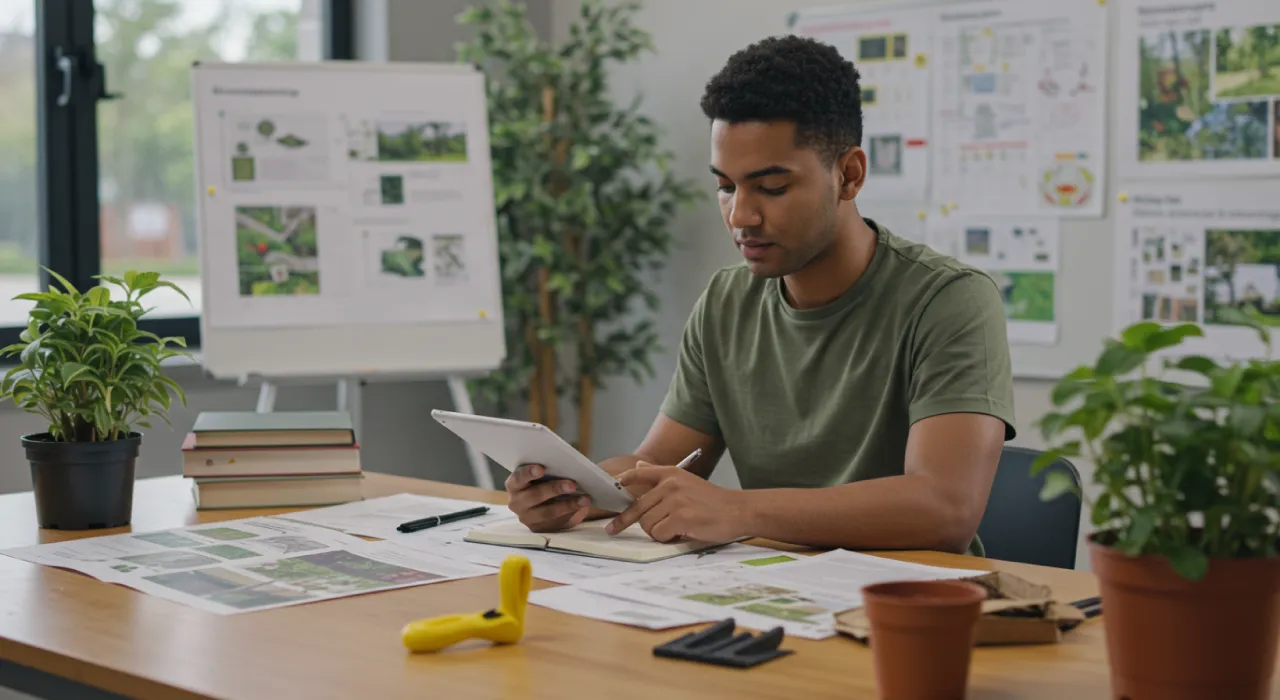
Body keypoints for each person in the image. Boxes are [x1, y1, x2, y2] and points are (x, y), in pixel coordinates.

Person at [505, 35, 1015, 555]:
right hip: (770, 593)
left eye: (771, 188)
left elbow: (944, 509)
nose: (740, 216)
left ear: (850, 175)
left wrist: (738, 510)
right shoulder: (728, 301)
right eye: (726, 185)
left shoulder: (950, 300)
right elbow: (652, 468)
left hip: (905, 607)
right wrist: (576, 492)